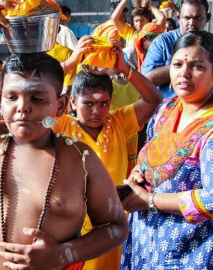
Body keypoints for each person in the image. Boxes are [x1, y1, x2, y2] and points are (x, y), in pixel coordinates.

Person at [0, 1, 129, 269]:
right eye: (11, 97)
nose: (23, 107)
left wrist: (64, 254)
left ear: (61, 106)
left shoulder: (80, 158)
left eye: (38, 98)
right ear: (0, 99)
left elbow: (116, 226)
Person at [54, 37, 163, 270]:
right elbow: (36, 98)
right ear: (72, 102)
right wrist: (71, 64)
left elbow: (154, 99)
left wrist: (126, 70)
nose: (97, 111)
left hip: (114, 222)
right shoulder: (61, 127)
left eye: (104, 103)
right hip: (75, 224)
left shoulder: (118, 122)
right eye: (88, 104)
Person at [120, 30, 213, 269]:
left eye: (197, 66)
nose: (184, 73)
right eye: (177, 64)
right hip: (145, 242)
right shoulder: (167, 109)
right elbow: (151, 151)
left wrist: (150, 200)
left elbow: (211, 199)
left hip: (191, 250)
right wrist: (139, 172)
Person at [142, 0, 211, 99]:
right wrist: (179, 66)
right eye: (187, 18)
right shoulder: (162, 42)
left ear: (208, 17)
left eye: (198, 18)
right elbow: (146, 80)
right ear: (179, 18)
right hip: (168, 110)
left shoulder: (211, 43)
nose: (191, 23)